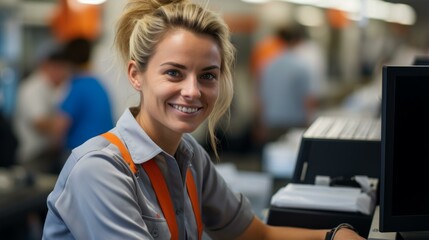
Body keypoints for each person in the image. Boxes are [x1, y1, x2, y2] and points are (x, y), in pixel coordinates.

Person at [42, 1, 365, 239]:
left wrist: (335, 235)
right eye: (174, 73)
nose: (193, 91)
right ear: (136, 75)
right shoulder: (100, 170)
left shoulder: (189, 155)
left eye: (208, 76)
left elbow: (256, 235)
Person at [38, 37, 115, 169]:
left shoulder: (77, 86)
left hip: (81, 156)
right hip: (106, 154)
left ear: (68, 62)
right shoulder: (98, 84)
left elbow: (60, 127)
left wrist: (53, 150)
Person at [13, 46, 70, 172]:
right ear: (47, 66)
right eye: (60, 68)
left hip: (48, 154)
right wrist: (65, 123)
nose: (63, 73)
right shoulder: (33, 88)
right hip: (34, 155)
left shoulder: (53, 88)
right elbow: (39, 123)